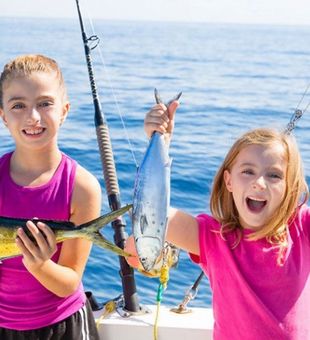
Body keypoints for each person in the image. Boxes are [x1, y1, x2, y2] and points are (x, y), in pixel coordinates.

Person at [126, 99, 310, 339]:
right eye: (248, 171)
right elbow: (148, 223)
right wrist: (160, 141)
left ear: (289, 188)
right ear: (229, 181)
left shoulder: (301, 228)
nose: (259, 182)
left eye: (274, 175)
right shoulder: (213, 238)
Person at [0, 54, 101, 339]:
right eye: (18, 105)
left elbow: (69, 282)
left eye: (44, 103)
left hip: (63, 325)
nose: (32, 117)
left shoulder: (82, 187)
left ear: (64, 110)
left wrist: (40, 265)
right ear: (3, 116)